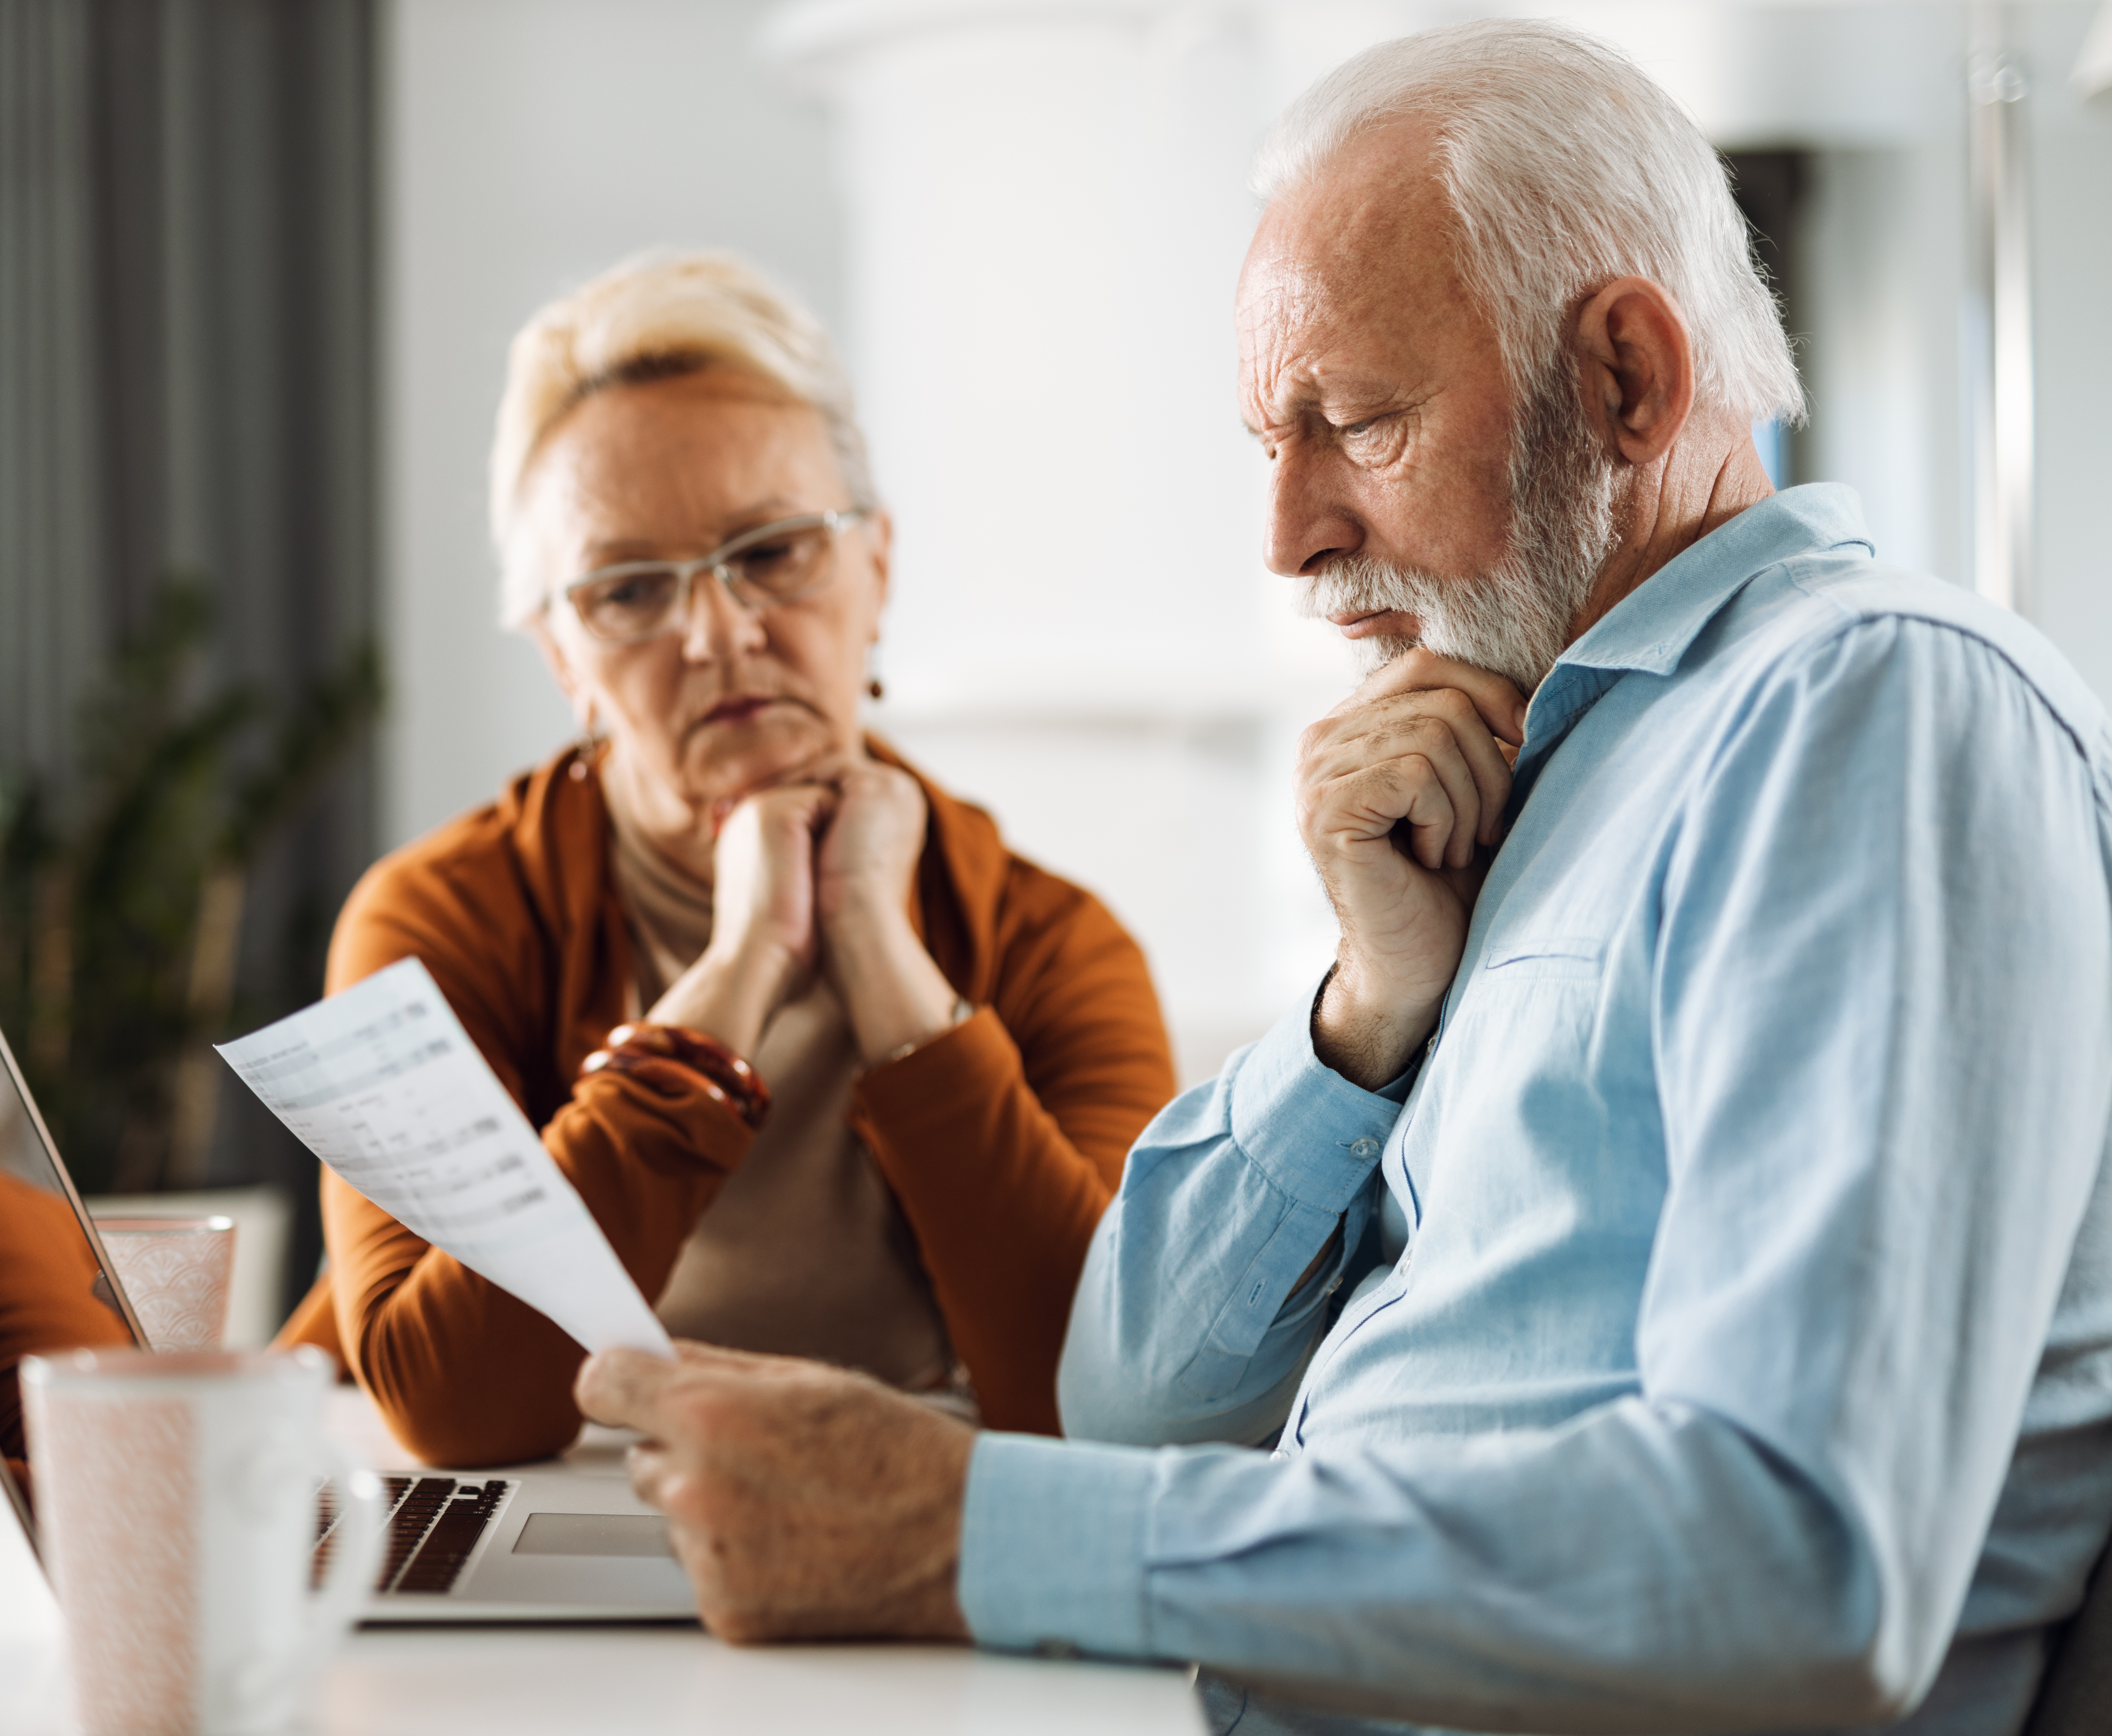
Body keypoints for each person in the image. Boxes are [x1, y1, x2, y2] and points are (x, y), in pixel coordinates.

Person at [571, 21, 2112, 1734]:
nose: (1288, 536)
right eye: (1268, 442)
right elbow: (1129, 1399)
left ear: (1625, 380)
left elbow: (1799, 1563)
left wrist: (961, 1533)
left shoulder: (1870, 713)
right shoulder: (1526, 773)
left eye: (1355, 422)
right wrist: (1364, 1011)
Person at [275, 251, 1177, 1467]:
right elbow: (458, 1412)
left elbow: (1103, 1403)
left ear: (879, 568)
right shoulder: (438, 917)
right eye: (630, 589)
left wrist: (875, 947)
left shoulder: (1051, 941)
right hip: (537, 1537)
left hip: (882, 1527)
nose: (719, 633)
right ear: (562, 658)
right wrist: (742, 965)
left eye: (772, 552)